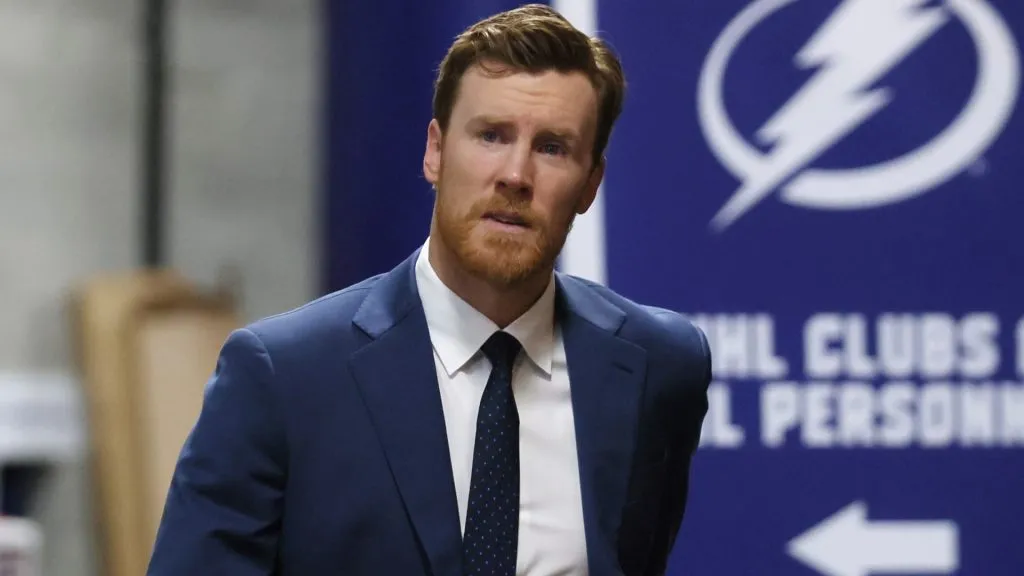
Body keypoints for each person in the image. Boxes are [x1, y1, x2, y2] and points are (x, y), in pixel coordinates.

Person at [146, 4, 711, 576]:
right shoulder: (283, 378)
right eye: (491, 136)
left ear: (590, 184)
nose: (516, 175)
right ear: (435, 151)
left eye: (552, 148)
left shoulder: (658, 366)